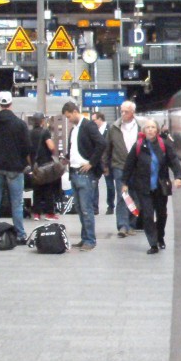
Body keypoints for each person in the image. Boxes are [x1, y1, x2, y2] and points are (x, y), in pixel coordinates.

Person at [120, 118, 181, 255]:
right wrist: (124, 182)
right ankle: (153, 243)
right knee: (148, 216)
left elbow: (173, 161)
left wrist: (178, 176)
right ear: (143, 130)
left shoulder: (164, 145)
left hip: (161, 187)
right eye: (147, 127)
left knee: (161, 214)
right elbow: (129, 165)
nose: (150, 129)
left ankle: (160, 236)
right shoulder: (138, 146)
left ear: (157, 130)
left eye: (153, 127)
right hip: (143, 187)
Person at [0, 91, 32, 245]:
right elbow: (27, 147)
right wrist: (22, 161)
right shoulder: (19, 124)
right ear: (11, 103)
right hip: (15, 168)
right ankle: (20, 234)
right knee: (16, 202)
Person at [62, 101, 105, 251]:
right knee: (80, 208)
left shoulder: (88, 126)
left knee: (86, 208)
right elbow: (76, 147)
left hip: (85, 173)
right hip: (74, 172)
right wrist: (67, 157)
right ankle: (84, 237)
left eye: (68, 116)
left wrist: (91, 163)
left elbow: (101, 143)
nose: (68, 119)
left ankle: (90, 240)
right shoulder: (75, 129)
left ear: (74, 112)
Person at [104, 100, 142, 237]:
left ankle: (132, 224)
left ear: (133, 113)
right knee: (122, 196)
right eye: (122, 111)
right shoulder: (114, 128)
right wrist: (105, 165)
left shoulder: (140, 127)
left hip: (137, 167)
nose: (123, 114)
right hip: (119, 165)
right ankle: (122, 226)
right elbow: (107, 147)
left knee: (136, 196)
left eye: (126, 111)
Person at [29, 114, 61, 221]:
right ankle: (49, 213)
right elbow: (51, 146)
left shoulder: (30, 133)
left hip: (35, 165)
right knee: (48, 189)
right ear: (42, 121)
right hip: (45, 165)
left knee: (37, 189)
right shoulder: (45, 132)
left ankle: (36, 214)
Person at [92, 112, 114, 216]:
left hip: (107, 162)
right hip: (96, 162)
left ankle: (111, 206)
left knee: (110, 185)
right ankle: (94, 207)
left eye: (94, 120)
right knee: (94, 184)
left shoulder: (109, 129)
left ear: (100, 119)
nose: (93, 122)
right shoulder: (94, 130)